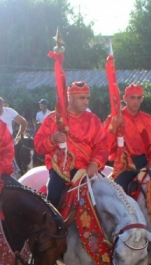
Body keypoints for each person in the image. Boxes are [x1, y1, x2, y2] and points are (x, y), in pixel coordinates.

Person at [34, 81, 109, 209]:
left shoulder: (93, 120)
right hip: (61, 170)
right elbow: (38, 145)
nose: (86, 102)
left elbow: (102, 144)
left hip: (88, 168)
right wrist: (53, 139)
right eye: (82, 98)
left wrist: (95, 163)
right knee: (54, 198)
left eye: (87, 98)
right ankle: (54, 227)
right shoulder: (52, 119)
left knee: (111, 195)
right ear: (70, 98)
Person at [104, 83, 151, 192]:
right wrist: (113, 128)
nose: (135, 101)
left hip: (145, 163)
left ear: (142, 99)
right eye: (132, 98)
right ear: (125, 98)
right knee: (118, 192)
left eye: (138, 98)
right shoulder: (115, 118)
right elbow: (106, 145)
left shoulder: (147, 119)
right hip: (124, 165)